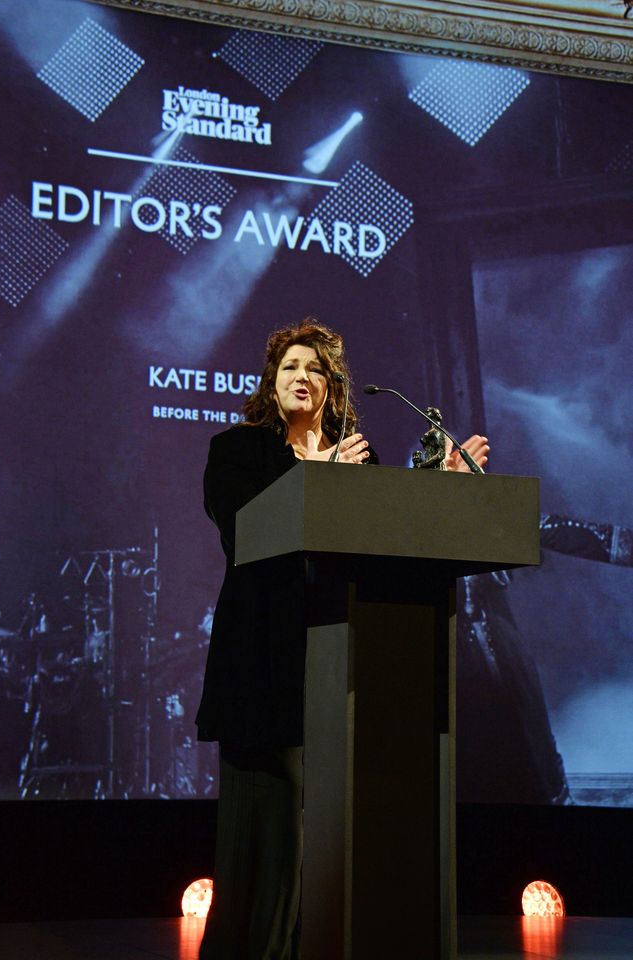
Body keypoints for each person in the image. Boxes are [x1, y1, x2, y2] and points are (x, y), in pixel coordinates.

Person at [196, 318, 489, 960]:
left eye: (316, 369)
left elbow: (391, 547)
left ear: (332, 387)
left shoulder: (359, 459)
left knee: (333, 850)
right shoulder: (239, 450)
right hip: (263, 673)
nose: (303, 377)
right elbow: (243, 529)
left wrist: (442, 491)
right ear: (271, 384)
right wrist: (320, 471)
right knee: (265, 851)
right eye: (290, 367)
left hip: (346, 674)